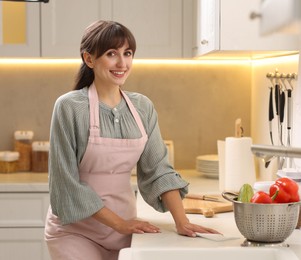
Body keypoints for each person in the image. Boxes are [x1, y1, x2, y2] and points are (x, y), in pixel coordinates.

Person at [44, 20, 218, 260]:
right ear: (89, 59)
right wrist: (120, 224)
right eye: (111, 54)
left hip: (125, 228)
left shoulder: (142, 107)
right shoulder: (69, 107)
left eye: (127, 54)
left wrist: (182, 222)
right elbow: (66, 185)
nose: (122, 63)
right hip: (75, 232)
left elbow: (158, 170)